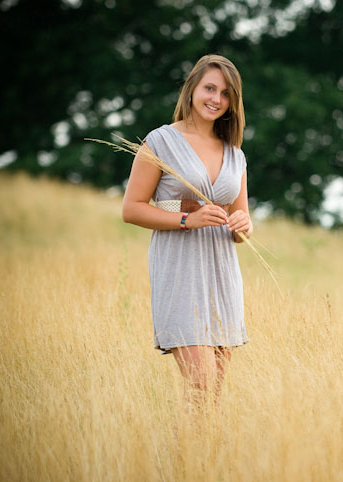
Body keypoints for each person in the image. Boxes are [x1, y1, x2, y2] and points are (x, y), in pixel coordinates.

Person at [121, 54, 252, 412]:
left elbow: (240, 218)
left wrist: (245, 227)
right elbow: (132, 208)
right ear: (192, 88)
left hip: (222, 277)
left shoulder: (235, 153)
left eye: (225, 94)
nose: (216, 99)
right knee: (201, 383)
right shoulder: (161, 142)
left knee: (210, 399)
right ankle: (182, 466)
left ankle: (196, 467)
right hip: (180, 273)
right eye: (210, 88)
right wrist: (184, 219)